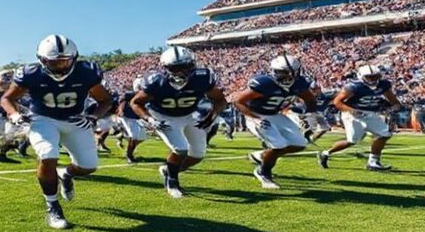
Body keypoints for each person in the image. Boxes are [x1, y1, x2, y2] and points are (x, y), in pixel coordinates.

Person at [1, 34, 112, 229]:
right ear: (42, 60)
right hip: (43, 119)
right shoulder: (30, 73)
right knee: (47, 155)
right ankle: (52, 205)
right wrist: (15, 115)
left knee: (88, 167)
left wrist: (93, 117)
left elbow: (105, 100)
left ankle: (66, 174)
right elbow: (7, 99)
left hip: (75, 119)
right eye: (54, 62)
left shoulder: (86, 72)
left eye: (64, 61)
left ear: (74, 59)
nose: (60, 66)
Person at [130, 46, 227, 197]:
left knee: (198, 154)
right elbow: (136, 103)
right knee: (180, 148)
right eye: (176, 68)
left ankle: (168, 169)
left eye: (185, 67)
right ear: (165, 68)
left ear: (193, 65)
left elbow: (220, 100)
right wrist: (149, 119)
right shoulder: (156, 81)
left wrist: (213, 115)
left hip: (189, 114)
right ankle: (172, 182)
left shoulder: (202, 77)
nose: (181, 71)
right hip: (163, 116)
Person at [233, 54, 317, 189]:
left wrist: (308, 115)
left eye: (293, 72)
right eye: (285, 72)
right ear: (275, 71)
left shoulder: (300, 83)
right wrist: (254, 118)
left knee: (300, 143)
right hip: (258, 115)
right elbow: (237, 101)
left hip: (276, 115)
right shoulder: (265, 83)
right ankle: (263, 172)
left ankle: (262, 155)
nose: (290, 76)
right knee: (278, 145)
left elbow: (310, 100)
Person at [317, 64, 401, 171]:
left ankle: (373, 162)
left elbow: (394, 101)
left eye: (375, 76)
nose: (373, 79)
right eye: (369, 77)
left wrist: (393, 108)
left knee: (385, 134)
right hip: (352, 113)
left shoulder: (384, 85)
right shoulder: (353, 86)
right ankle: (325, 153)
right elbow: (337, 102)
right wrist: (352, 111)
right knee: (352, 141)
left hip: (371, 113)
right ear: (361, 76)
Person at [117, 78, 148, 164]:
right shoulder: (130, 94)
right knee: (134, 136)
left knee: (142, 137)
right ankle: (129, 155)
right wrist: (120, 110)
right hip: (127, 115)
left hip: (136, 117)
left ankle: (125, 140)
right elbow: (121, 101)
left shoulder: (147, 94)